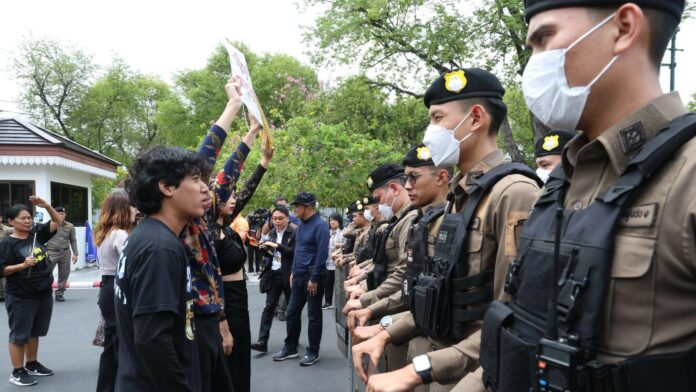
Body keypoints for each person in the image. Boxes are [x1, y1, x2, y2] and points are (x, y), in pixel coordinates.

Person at [476, 1, 696, 392]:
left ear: (624, 27)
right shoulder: (562, 182)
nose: (533, 66)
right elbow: (518, 340)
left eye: (544, 39)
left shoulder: (688, 177)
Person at [352, 68, 542, 392]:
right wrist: (387, 333)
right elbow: (440, 295)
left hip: (477, 377)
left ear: (476, 118)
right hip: (441, 366)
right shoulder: (459, 198)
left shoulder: (514, 194)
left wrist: (418, 370)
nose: (431, 132)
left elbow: (514, 318)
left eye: (438, 118)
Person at [116, 147, 209, 391]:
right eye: (196, 179)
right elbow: (152, 339)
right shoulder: (160, 248)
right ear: (166, 187)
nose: (205, 188)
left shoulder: (146, 236)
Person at [208, 113, 274, 392]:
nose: (235, 197)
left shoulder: (227, 227)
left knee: (242, 368)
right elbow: (210, 284)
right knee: (229, 369)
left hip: (240, 303)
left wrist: (264, 162)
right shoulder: (208, 233)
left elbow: (246, 189)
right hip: (226, 307)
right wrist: (222, 324)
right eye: (228, 195)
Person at [342, 163, 419, 372]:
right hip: (388, 304)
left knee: (392, 369)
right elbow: (380, 264)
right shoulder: (397, 221)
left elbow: (401, 274)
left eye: (377, 199)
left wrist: (367, 299)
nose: (377, 205)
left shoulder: (410, 219)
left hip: (398, 310)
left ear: (394, 189)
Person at [0, 197, 63, 386]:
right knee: (19, 335)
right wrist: (22, 265)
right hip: (21, 295)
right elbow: (2, 270)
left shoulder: (37, 235)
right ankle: (17, 372)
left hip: (42, 293)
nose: (28, 221)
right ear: (11, 222)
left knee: (34, 332)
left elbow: (56, 221)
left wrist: (46, 206)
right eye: (22, 218)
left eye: (29, 217)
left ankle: (32, 364)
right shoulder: (7, 243)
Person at [272, 192, 330, 366]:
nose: (295, 209)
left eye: (297, 206)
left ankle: (313, 351)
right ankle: (290, 347)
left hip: (312, 278)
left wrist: (314, 278)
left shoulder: (320, 226)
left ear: (308, 207)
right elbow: (298, 250)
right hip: (297, 276)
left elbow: (322, 254)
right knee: (291, 312)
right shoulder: (302, 225)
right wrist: (293, 272)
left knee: (313, 316)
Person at [94, 190, 136, 392]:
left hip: (106, 288)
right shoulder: (120, 234)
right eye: (131, 206)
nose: (135, 210)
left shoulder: (104, 232)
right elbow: (130, 263)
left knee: (111, 345)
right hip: (118, 287)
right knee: (123, 344)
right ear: (124, 209)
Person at [251, 206, 295, 353]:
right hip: (274, 274)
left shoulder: (294, 232)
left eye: (280, 218)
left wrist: (277, 246)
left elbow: (294, 252)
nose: (277, 221)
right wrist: (265, 249)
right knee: (269, 307)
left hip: (289, 275)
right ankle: (262, 341)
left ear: (287, 218)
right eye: (274, 219)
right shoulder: (271, 232)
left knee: (292, 310)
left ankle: (292, 341)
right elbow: (270, 254)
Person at [45, 207, 78, 302]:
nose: (60, 216)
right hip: (51, 252)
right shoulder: (50, 225)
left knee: (64, 273)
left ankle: (60, 293)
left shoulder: (70, 226)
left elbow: (73, 240)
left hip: (65, 252)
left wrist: (75, 253)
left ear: (65, 214)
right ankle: (45, 291)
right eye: (58, 214)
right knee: (46, 272)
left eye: (62, 214)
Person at [322, 213, 344, 310]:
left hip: (339, 262)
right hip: (328, 262)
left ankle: (340, 304)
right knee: (328, 283)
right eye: (331, 220)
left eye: (334, 220)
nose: (332, 222)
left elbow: (348, 245)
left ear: (339, 221)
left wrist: (341, 246)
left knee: (339, 284)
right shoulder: (327, 233)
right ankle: (328, 302)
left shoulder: (343, 233)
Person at [0, 213, 13, 303]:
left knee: (5, 276)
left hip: (3, 256)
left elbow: (15, 231)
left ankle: (7, 294)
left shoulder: (6, 229)